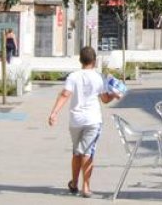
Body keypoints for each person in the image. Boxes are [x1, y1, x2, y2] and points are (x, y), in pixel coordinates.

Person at [47, 46, 122, 198]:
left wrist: (54, 113)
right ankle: (86, 187)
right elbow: (105, 99)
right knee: (87, 152)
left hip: (76, 121)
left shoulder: (73, 76)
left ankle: (74, 184)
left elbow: (65, 94)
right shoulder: (98, 77)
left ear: (80, 60)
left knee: (76, 152)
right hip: (93, 120)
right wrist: (114, 95)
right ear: (94, 61)